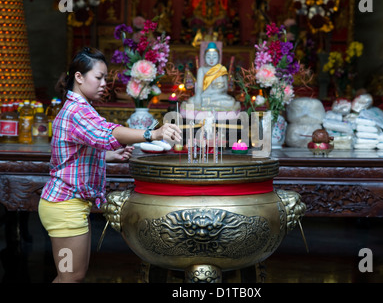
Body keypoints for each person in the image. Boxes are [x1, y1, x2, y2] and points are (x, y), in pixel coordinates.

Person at [38, 47, 182, 283]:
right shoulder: (77, 111)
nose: (105, 83)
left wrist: (108, 157)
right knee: (68, 277)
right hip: (64, 206)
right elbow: (107, 132)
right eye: (99, 77)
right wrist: (153, 134)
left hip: (69, 204)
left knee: (72, 275)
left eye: (106, 77)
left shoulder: (80, 108)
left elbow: (73, 156)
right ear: (79, 77)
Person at [183, 42, 240, 112]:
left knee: (231, 101)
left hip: (218, 95)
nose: (211, 60)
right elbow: (199, 87)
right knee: (191, 101)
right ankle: (213, 105)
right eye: (208, 57)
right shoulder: (202, 70)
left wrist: (217, 90)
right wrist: (198, 96)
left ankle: (209, 105)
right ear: (204, 57)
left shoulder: (222, 69)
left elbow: (225, 87)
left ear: (219, 57)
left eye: (215, 57)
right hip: (205, 95)